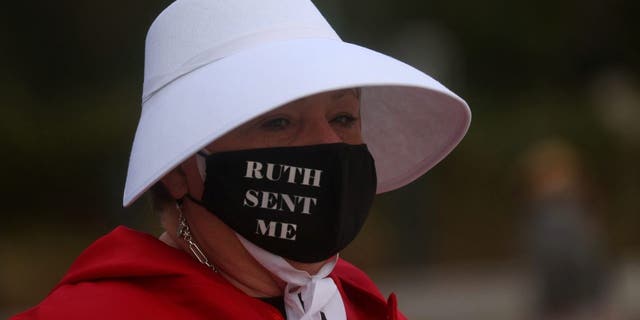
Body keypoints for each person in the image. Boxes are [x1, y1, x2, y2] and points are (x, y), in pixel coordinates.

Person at [12, 0, 470, 319]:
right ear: (177, 170)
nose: (327, 144)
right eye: (277, 122)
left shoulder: (356, 303)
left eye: (344, 116)